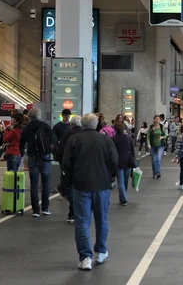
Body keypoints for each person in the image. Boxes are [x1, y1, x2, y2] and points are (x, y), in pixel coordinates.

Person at [62, 113, 118, 271]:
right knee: (102, 219)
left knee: (81, 222)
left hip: (81, 185)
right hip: (102, 185)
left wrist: (71, 178)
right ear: (96, 124)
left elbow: (66, 163)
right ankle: (101, 251)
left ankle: (85, 257)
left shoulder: (74, 140)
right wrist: (111, 176)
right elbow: (114, 160)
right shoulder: (105, 139)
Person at [20, 108, 54, 218]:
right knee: (46, 182)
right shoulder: (45, 126)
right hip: (44, 156)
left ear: (29, 117)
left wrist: (21, 154)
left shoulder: (27, 128)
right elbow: (53, 140)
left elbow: (22, 143)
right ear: (39, 116)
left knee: (34, 183)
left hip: (32, 157)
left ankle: (35, 210)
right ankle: (45, 208)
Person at [56, 115, 82, 223]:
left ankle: (73, 211)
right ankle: (73, 213)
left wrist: (60, 161)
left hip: (68, 166)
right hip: (81, 166)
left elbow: (61, 150)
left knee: (68, 187)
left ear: (71, 124)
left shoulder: (67, 134)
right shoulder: (83, 134)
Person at [112, 122, 136, 206]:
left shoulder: (113, 139)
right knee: (126, 180)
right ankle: (123, 195)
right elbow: (132, 150)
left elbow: (112, 152)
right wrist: (133, 160)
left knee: (120, 181)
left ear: (115, 129)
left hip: (119, 162)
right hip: (128, 160)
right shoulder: (128, 138)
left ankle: (123, 198)